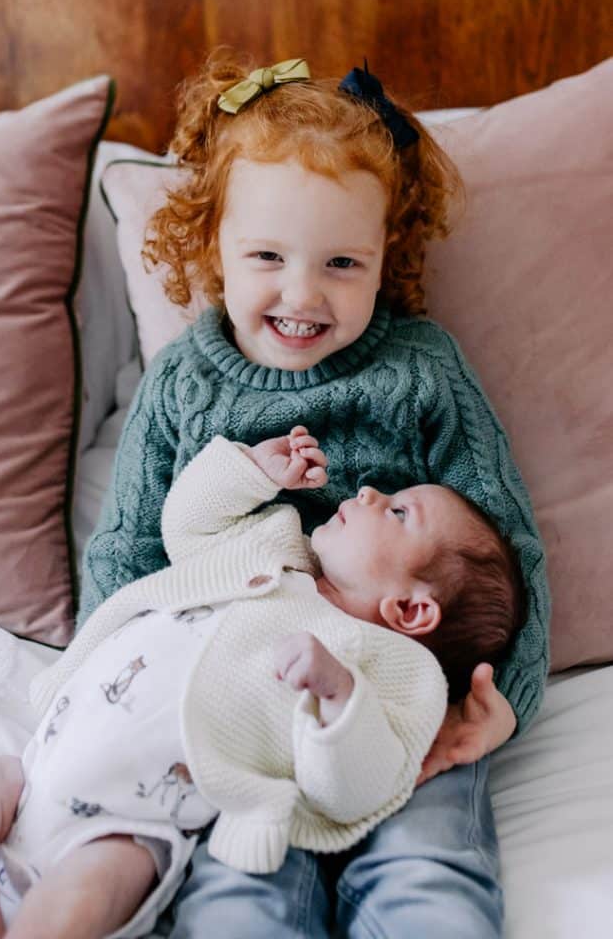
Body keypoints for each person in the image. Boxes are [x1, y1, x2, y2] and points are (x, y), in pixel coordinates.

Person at [86, 51, 545, 937]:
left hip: (398, 701)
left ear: (385, 258)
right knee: (236, 890)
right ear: (209, 242)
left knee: (429, 867)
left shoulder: (421, 371)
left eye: (341, 262)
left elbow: (508, 548)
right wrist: (112, 701)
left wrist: (494, 708)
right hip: (237, 703)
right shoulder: (182, 384)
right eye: (266, 256)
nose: (302, 294)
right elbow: (128, 553)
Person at [0, 426, 526, 939]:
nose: (369, 491)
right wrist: (252, 471)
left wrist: (342, 698)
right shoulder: (275, 545)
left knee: (76, 902)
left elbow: (358, 789)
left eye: (397, 512)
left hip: (132, 823)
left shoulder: (391, 669)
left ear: (411, 611)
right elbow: (185, 526)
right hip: (36, 769)